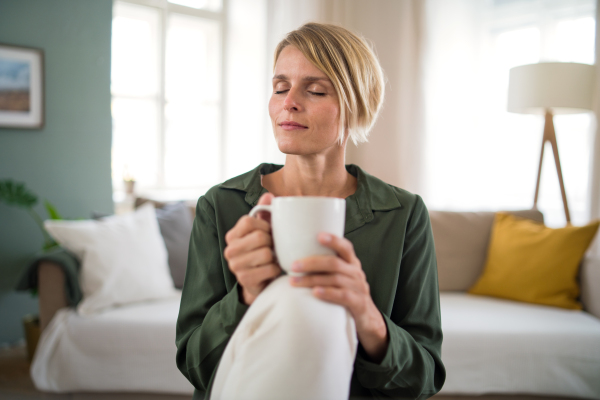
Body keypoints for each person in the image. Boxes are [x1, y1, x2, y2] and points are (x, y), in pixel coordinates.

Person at [176, 22, 445, 400]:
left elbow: (424, 378)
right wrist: (245, 296)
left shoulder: (404, 213)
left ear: (355, 104)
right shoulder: (221, 205)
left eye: (315, 89)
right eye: (280, 88)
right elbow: (194, 365)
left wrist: (366, 315)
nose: (289, 102)